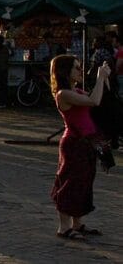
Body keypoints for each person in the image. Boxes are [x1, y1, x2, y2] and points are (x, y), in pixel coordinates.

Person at [49, 55, 112, 240]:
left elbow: (99, 98)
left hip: (88, 141)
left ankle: (77, 223)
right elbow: (94, 101)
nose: (80, 70)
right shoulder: (63, 94)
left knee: (84, 182)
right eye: (76, 67)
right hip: (74, 143)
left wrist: (105, 77)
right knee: (70, 183)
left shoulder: (76, 90)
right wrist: (100, 78)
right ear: (65, 71)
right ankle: (64, 227)